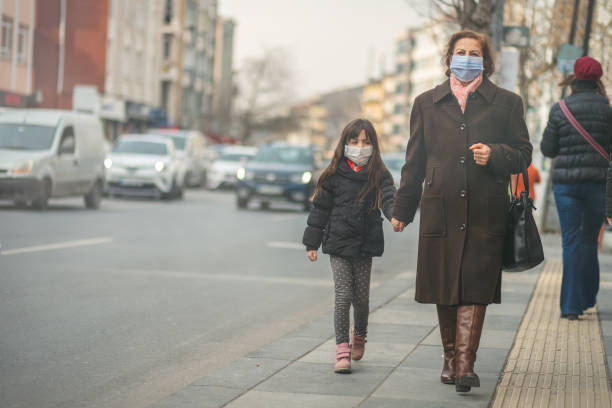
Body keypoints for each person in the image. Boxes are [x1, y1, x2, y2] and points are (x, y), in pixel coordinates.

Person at [390, 30, 532, 393]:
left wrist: (496, 154)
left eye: (474, 53)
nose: (466, 58)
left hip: (486, 208)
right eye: (460, 52)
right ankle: (451, 357)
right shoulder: (426, 102)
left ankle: (466, 364)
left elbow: (523, 153)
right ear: (448, 57)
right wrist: (402, 209)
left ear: (486, 60)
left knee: (475, 284)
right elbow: (414, 161)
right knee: (444, 284)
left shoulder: (507, 102)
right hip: (441, 207)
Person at [302, 118, 396, 374]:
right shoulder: (333, 174)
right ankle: (342, 349)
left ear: (374, 146)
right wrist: (312, 241)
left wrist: (395, 215)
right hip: (338, 243)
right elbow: (320, 209)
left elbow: (389, 197)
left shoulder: (379, 174)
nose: (360, 146)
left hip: (365, 244)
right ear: (344, 144)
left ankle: (360, 334)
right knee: (343, 296)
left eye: (366, 142)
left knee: (361, 300)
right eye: (354, 141)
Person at [541, 56, 612, 320]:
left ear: (575, 77)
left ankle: (571, 306)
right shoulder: (608, 109)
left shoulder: (560, 108)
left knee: (571, 241)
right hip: (597, 185)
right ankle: (588, 296)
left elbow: (548, 149)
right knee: (588, 240)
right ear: (598, 79)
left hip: (567, 186)